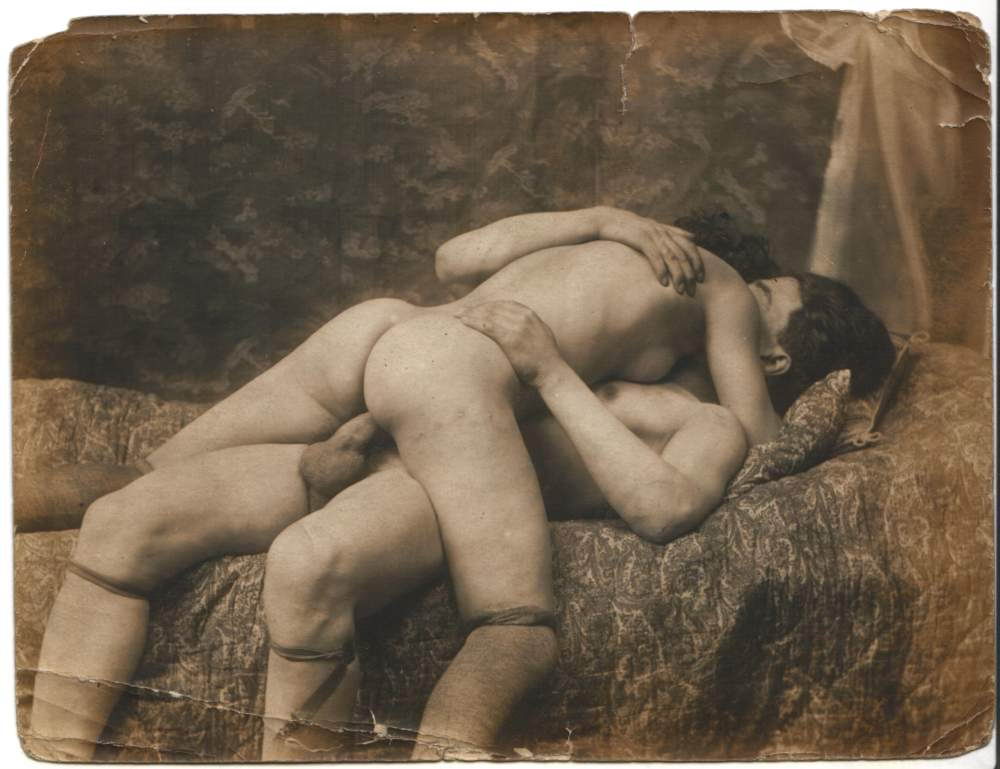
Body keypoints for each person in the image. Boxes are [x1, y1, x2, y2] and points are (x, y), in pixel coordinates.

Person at [25, 206, 896, 760]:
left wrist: (600, 222)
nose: (753, 289)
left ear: (780, 351)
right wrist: (834, 424)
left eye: (773, 297)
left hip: (387, 336)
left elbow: (455, 257)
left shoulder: (626, 264)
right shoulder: (708, 300)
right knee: (514, 622)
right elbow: (764, 435)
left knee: (162, 501)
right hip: (438, 378)